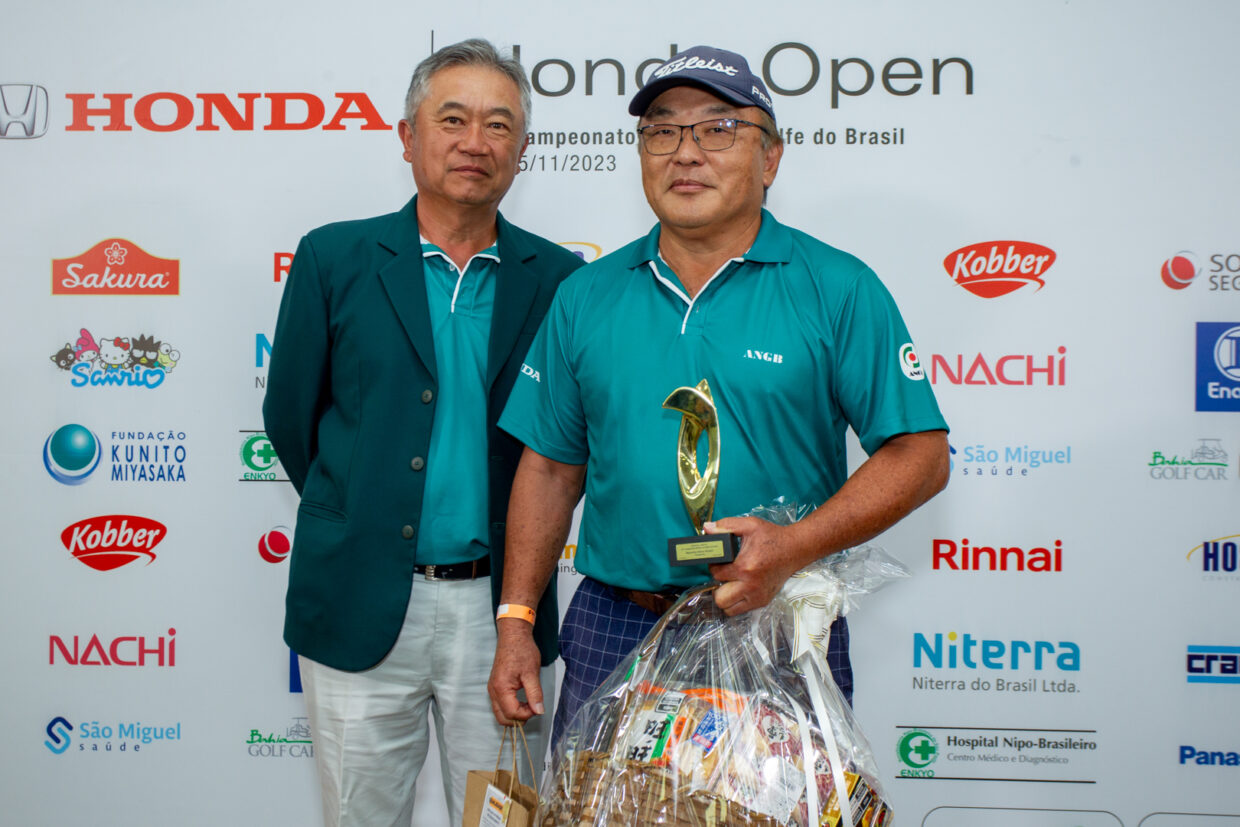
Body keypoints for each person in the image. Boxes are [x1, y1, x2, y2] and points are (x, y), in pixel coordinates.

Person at [487, 45, 949, 743]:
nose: (686, 152)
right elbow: (551, 468)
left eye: (719, 128)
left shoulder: (837, 287)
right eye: (662, 131)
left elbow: (921, 454)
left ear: (770, 159)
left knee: (784, 802)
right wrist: (518, 621)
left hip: (777, 619)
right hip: (617, 622)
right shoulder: (586, 295)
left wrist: (791, 546)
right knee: (591, 802)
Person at [262, 38, 582, 826]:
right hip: (360, 598)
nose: (476, 142)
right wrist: (363, 510)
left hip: (502, 613)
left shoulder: (561, 280)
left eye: (499, 125)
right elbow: (292, 420)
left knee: (504, 816)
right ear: (407, 136)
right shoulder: (333, 258)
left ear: (523, 150)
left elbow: (564, 446)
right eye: (453, 119)